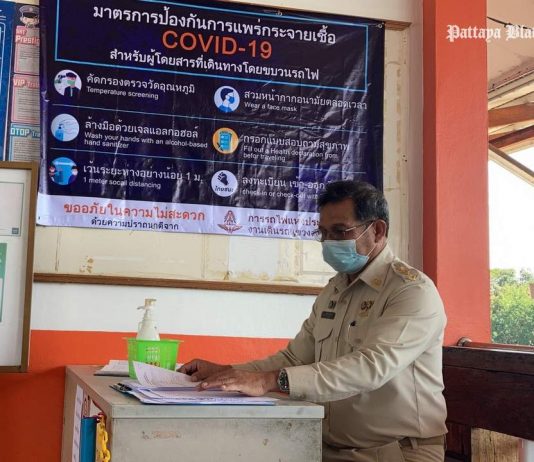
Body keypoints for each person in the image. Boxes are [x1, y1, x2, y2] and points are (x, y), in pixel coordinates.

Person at [180, 180, 447, 462]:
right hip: (326, 448)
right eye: (323, 233)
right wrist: (228, 373)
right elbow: (294, 358)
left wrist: (269, 381)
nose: (329, 242)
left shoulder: (411, 291)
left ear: (378, 230)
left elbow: (371, 367)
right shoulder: (335, 289)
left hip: (396, 452)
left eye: (340, 231)